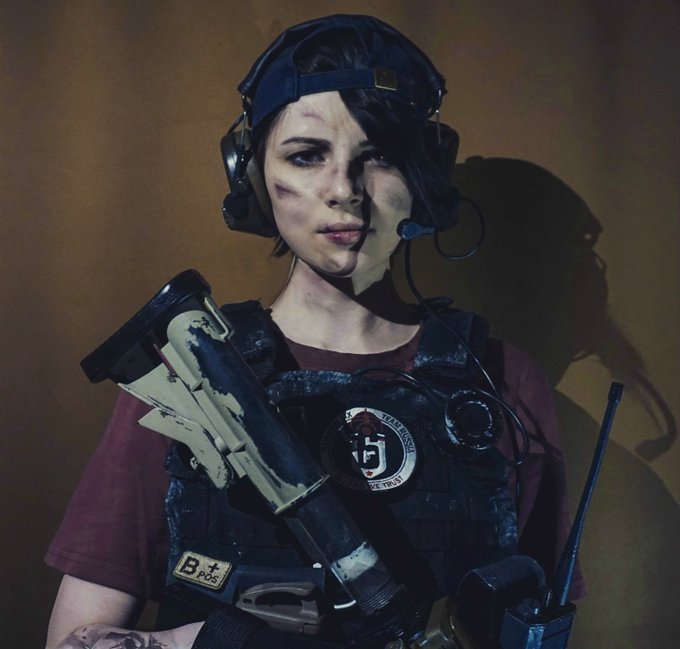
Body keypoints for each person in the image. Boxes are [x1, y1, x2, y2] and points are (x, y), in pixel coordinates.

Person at [45, 15, 579, 649]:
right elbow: (73, 639)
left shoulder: (505, 384)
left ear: (426, 177)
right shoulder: (188, 378)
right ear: (252, 176)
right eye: (306, 155)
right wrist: (216, 641)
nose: (344, 191)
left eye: (380, 156)